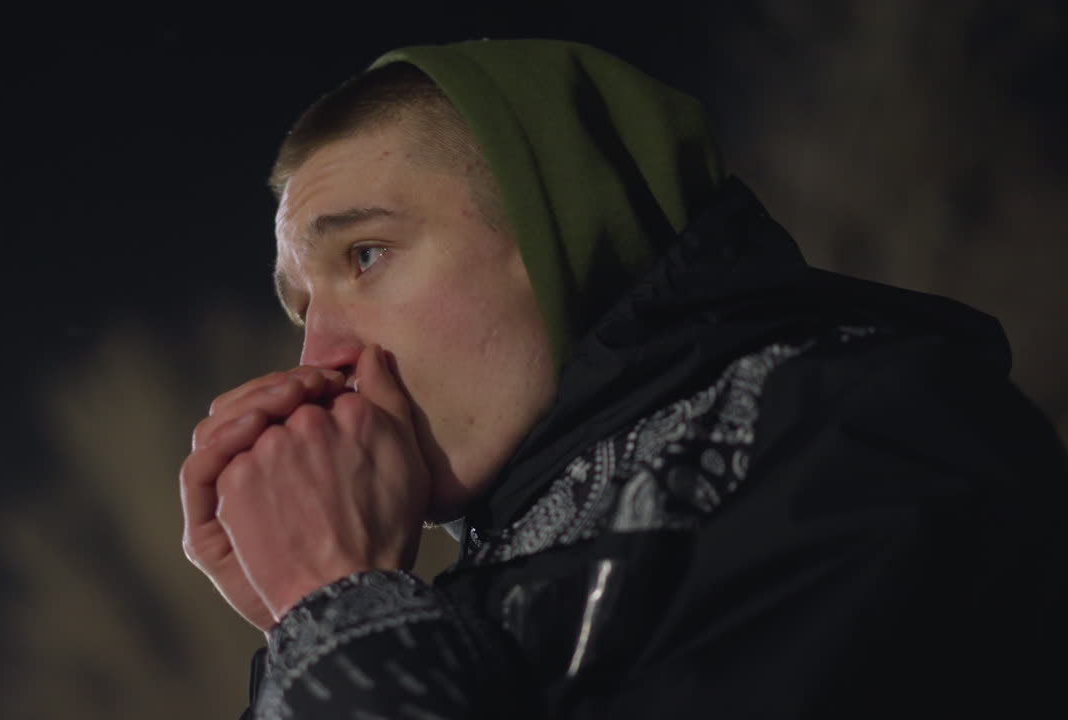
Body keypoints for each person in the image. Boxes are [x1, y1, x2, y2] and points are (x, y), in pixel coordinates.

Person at [179, 39, 1067, 719]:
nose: (319, 357)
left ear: (561, 237)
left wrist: (342, 607)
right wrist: (303, 630)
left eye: (365, 255)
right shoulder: (476, 589)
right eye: (303, 309)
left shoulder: (868, 438)